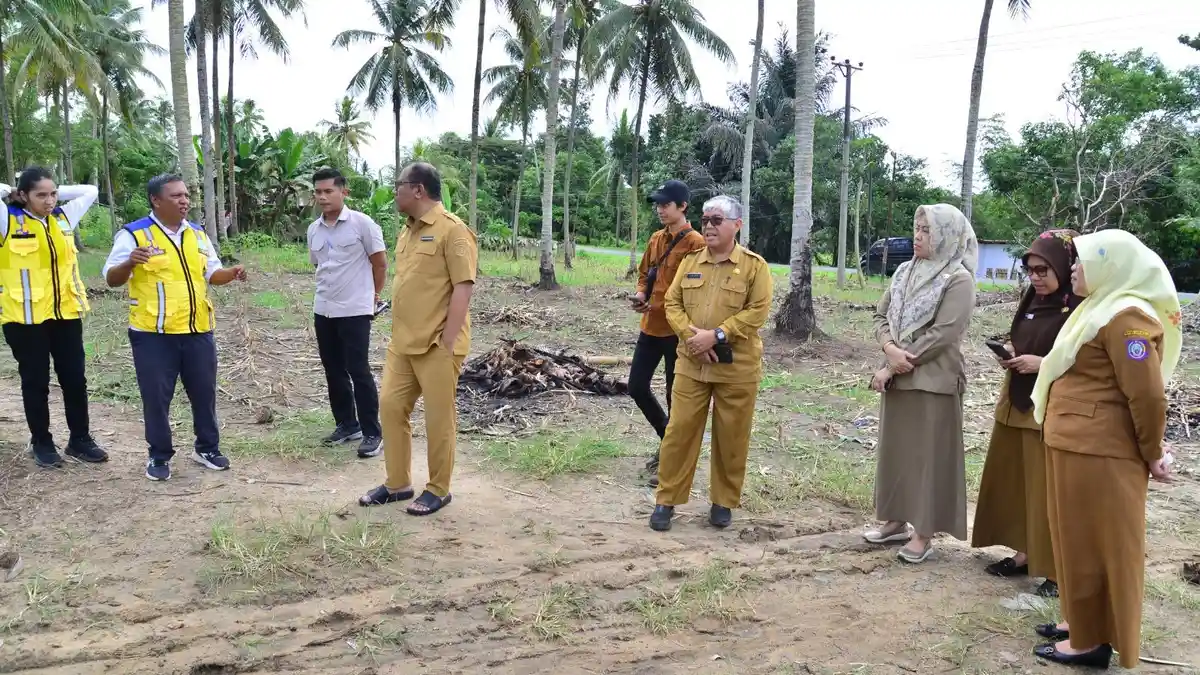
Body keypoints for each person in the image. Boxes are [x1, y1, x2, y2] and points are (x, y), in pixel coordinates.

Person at [1029, 229, 1179, 669]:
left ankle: (1091, 642)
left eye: (1081, 260)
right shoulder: (1097, 310)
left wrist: (1153, 452)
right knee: (1073, 541)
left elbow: (1148, 396)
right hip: (1075, 444)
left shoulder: (1127, 318)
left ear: (1109, 266)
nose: (1072, 268)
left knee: (1097, 545)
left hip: (1100, 451)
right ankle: (1079, 621)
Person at [103, 174, 248, 481]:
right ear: (156, 200)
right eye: (176, 196)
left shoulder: (197, 234)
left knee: (203, 393)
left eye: (186, 195)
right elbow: (112, 279)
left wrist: (231, 273)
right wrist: (130, 263)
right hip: (153, 334)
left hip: (197, 330)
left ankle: (207, 448)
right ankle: (159, 455)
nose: (185, 201)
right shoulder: (134, 235)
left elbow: (212, 274)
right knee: (156, 397)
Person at [648, 195, 772, 532]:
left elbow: (757, 311)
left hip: (737, 367)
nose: (709, 225)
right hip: (691, 362)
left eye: (717, 220)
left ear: (737, 225)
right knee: (679, 431)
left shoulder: (754, 266)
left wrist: (716, 335)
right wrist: (693, 338)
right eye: (705, 219)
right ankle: (667, 499)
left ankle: (723, 502)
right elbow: (672, 303)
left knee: (732, 436)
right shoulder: (690, 262)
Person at [359, 162, 476, 516]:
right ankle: (398, 484)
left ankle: (438, 489)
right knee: (391, 408)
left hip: (437, 344)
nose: (395, 192)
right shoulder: (407, 231)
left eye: (399, 186)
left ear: (418, 189)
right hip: (403, 343)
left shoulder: (453, 231)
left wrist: (448, 339)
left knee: (439, 419)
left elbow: (463, 287)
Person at [971, 230, 1081, 598]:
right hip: (1016, 400)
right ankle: (1025, 554)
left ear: (1064, 267)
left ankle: (1054, 569)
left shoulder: (1081, 305)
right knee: (1017, 482)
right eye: (1030, 269)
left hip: (1051, 406)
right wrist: (1012, 351)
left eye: (1043, 269)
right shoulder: (1032, 298)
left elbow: (1088, 360)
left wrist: (1044, 364)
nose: (1035, 277)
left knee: (1046, 488)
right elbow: (1025, 335)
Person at [865, 204, 977, 563]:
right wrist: (888, 348)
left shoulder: (958, 279)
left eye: (927, 230)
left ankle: (923, 533)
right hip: (899, 376)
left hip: (933, 380)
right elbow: (881, 315)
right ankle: (895, 520)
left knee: (928, 458)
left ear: (946, 236)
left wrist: (896, 363)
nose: (918, 235)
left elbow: (944, 334)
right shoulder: (904, 271)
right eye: (916, 227)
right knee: (898, 454)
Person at [0, 168, 107, 467]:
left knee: (75, 379)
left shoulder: (63, 218)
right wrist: (10, 188)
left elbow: (90, 190)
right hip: (24, 318)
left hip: (65, 314)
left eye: (53, 194)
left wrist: (52, 187)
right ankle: (42, 442)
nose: (49, 201)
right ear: (23, 196)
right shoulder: (7, 220)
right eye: (40, 195)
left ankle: (80, 440)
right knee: (35, 381)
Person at [307, 167, 387, 458]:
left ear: (344, 192)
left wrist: (373, 297)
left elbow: (379, 264)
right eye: (318, 192)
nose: (322, 197)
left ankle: (372, 433)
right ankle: (346, 424)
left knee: (358, 369)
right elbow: (319, 265)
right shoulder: (314, 229)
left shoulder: (362, 224)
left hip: (355, 310)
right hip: (324, 309)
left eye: (328, 191)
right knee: (333, 369)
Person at [629, 179, 705, 483]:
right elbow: (644, 275)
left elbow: (696, 292)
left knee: (677, 398)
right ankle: (668, 440)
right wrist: (639, 296)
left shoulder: (696, 243)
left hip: (678, 333)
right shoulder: (656, 239)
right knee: (636, 387)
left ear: (682, 206)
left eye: (666, 205)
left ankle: (672, 460)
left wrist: (661, 307)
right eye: (658, 205)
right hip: (650, 328)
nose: (660, 210)